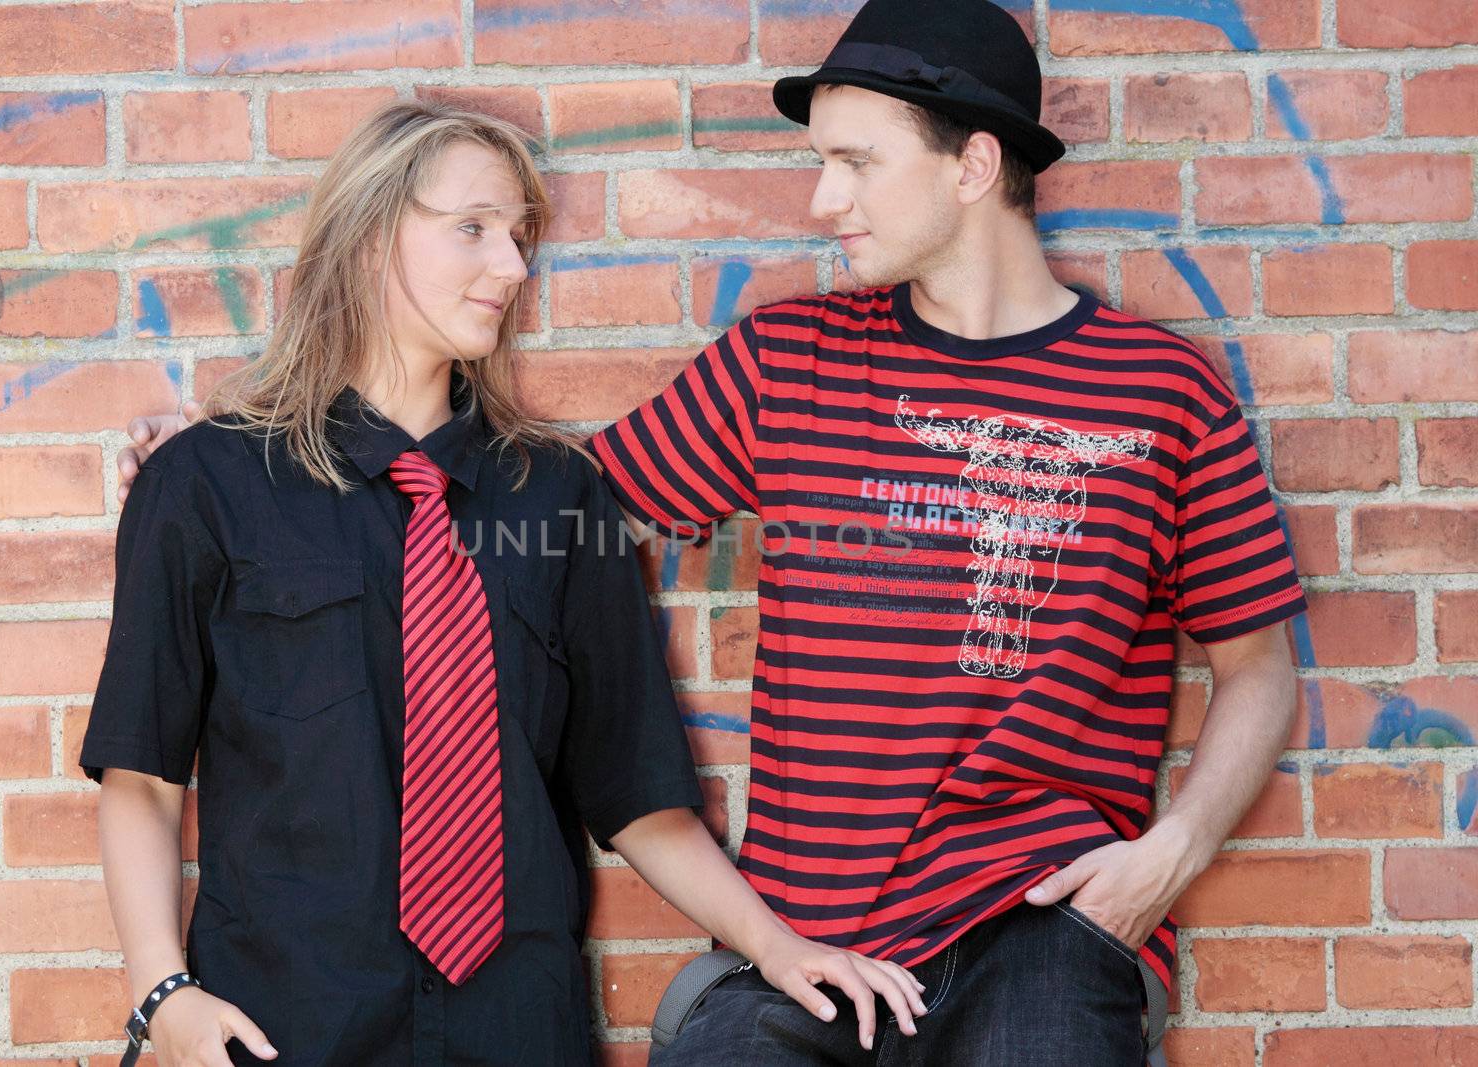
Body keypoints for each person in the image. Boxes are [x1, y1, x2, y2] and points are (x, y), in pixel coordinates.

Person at [118, 2, 1307, 1062]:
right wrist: (237, 459)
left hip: (1039, 920)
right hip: (805, 946)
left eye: (852, 161)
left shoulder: (1163, 394)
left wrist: (1170, 850)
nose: (819, 199)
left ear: (972, 164)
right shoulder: (787, 363)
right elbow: (512, 498)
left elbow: (1256, 666)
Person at [83, 100, 929, 1067]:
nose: (512, 267)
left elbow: (637, 796)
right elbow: (142, 776)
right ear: (368, 236)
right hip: (280, 1026)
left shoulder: (559, 493)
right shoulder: (207, 483)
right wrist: (163, 996)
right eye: (474, 228)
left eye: (521, 237)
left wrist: (780, 948)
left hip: (518, 1027)